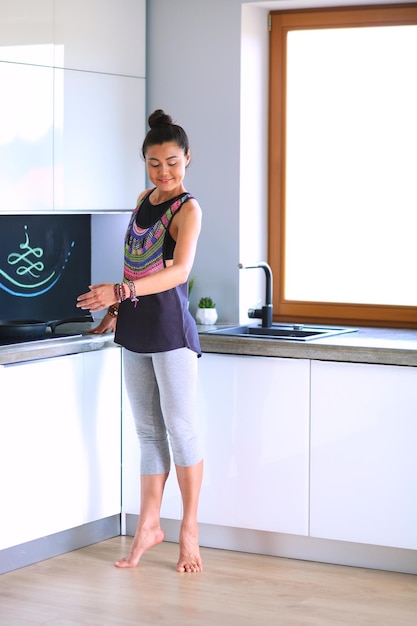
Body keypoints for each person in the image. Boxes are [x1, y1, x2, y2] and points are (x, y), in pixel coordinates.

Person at [76, 110, 203, 573]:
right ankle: (150, 525)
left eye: (172, 162)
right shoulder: (142, 199)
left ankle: (189, 528)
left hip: (170, 332)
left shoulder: (188, 208)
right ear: (144, 163)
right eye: (154, 163)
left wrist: (120, 292)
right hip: (134, 328)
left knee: (181, 430)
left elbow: (178, 271)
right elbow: (135, 264)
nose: (163, 172)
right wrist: (114, 309)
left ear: (187, 159)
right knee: (148, 433)